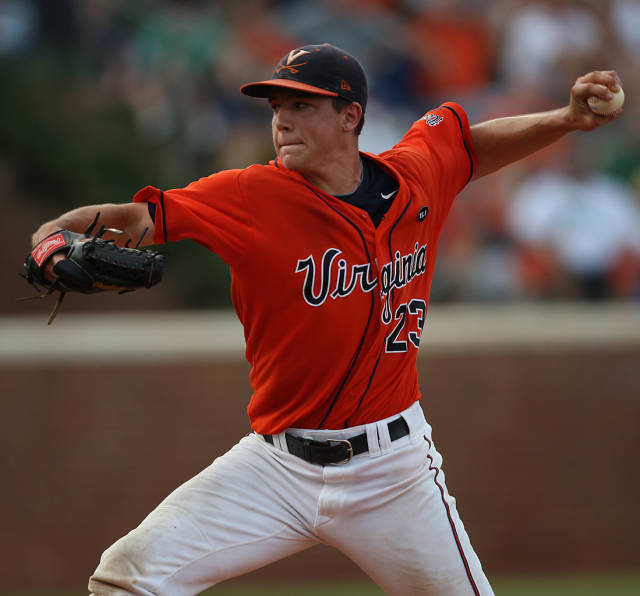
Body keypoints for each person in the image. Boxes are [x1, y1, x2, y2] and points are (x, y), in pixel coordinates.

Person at [31, 43, 623, 596]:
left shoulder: (417, 174)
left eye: (302, 105)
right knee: (126, 579)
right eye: (277, 106)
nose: (282, 120)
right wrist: (50, 244)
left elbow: (473, 148)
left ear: (350, 116)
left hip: (393, 472)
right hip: (276, 468)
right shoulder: (250, 196)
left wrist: (565, 120)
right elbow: (131, 216)